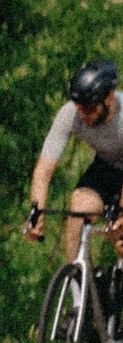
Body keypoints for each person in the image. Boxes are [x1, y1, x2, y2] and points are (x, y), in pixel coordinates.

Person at [25, 58, 123, 263]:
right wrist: (36, 214)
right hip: (107, 167)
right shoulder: (70, 114)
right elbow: (43, 170)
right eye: (79, 107)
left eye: (89, 109)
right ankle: (79, 286)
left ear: (110, 98)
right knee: (78, 209)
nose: (83, 114)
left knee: (120, 231)